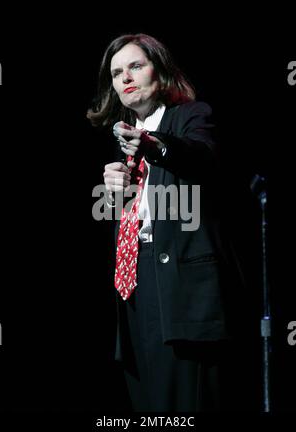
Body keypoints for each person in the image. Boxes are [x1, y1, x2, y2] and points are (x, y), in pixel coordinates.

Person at [88, 33, 260, 412]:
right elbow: (143, 213)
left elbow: (202, 159)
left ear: (160, 71)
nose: (125, 78)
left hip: (183, 288)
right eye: (117, 73)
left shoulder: (191, 117)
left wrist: (153, 145)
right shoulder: (122, 141)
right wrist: (114, 191)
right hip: (135, 285)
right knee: (148, 403)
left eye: (136, 66)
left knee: (183, 404)